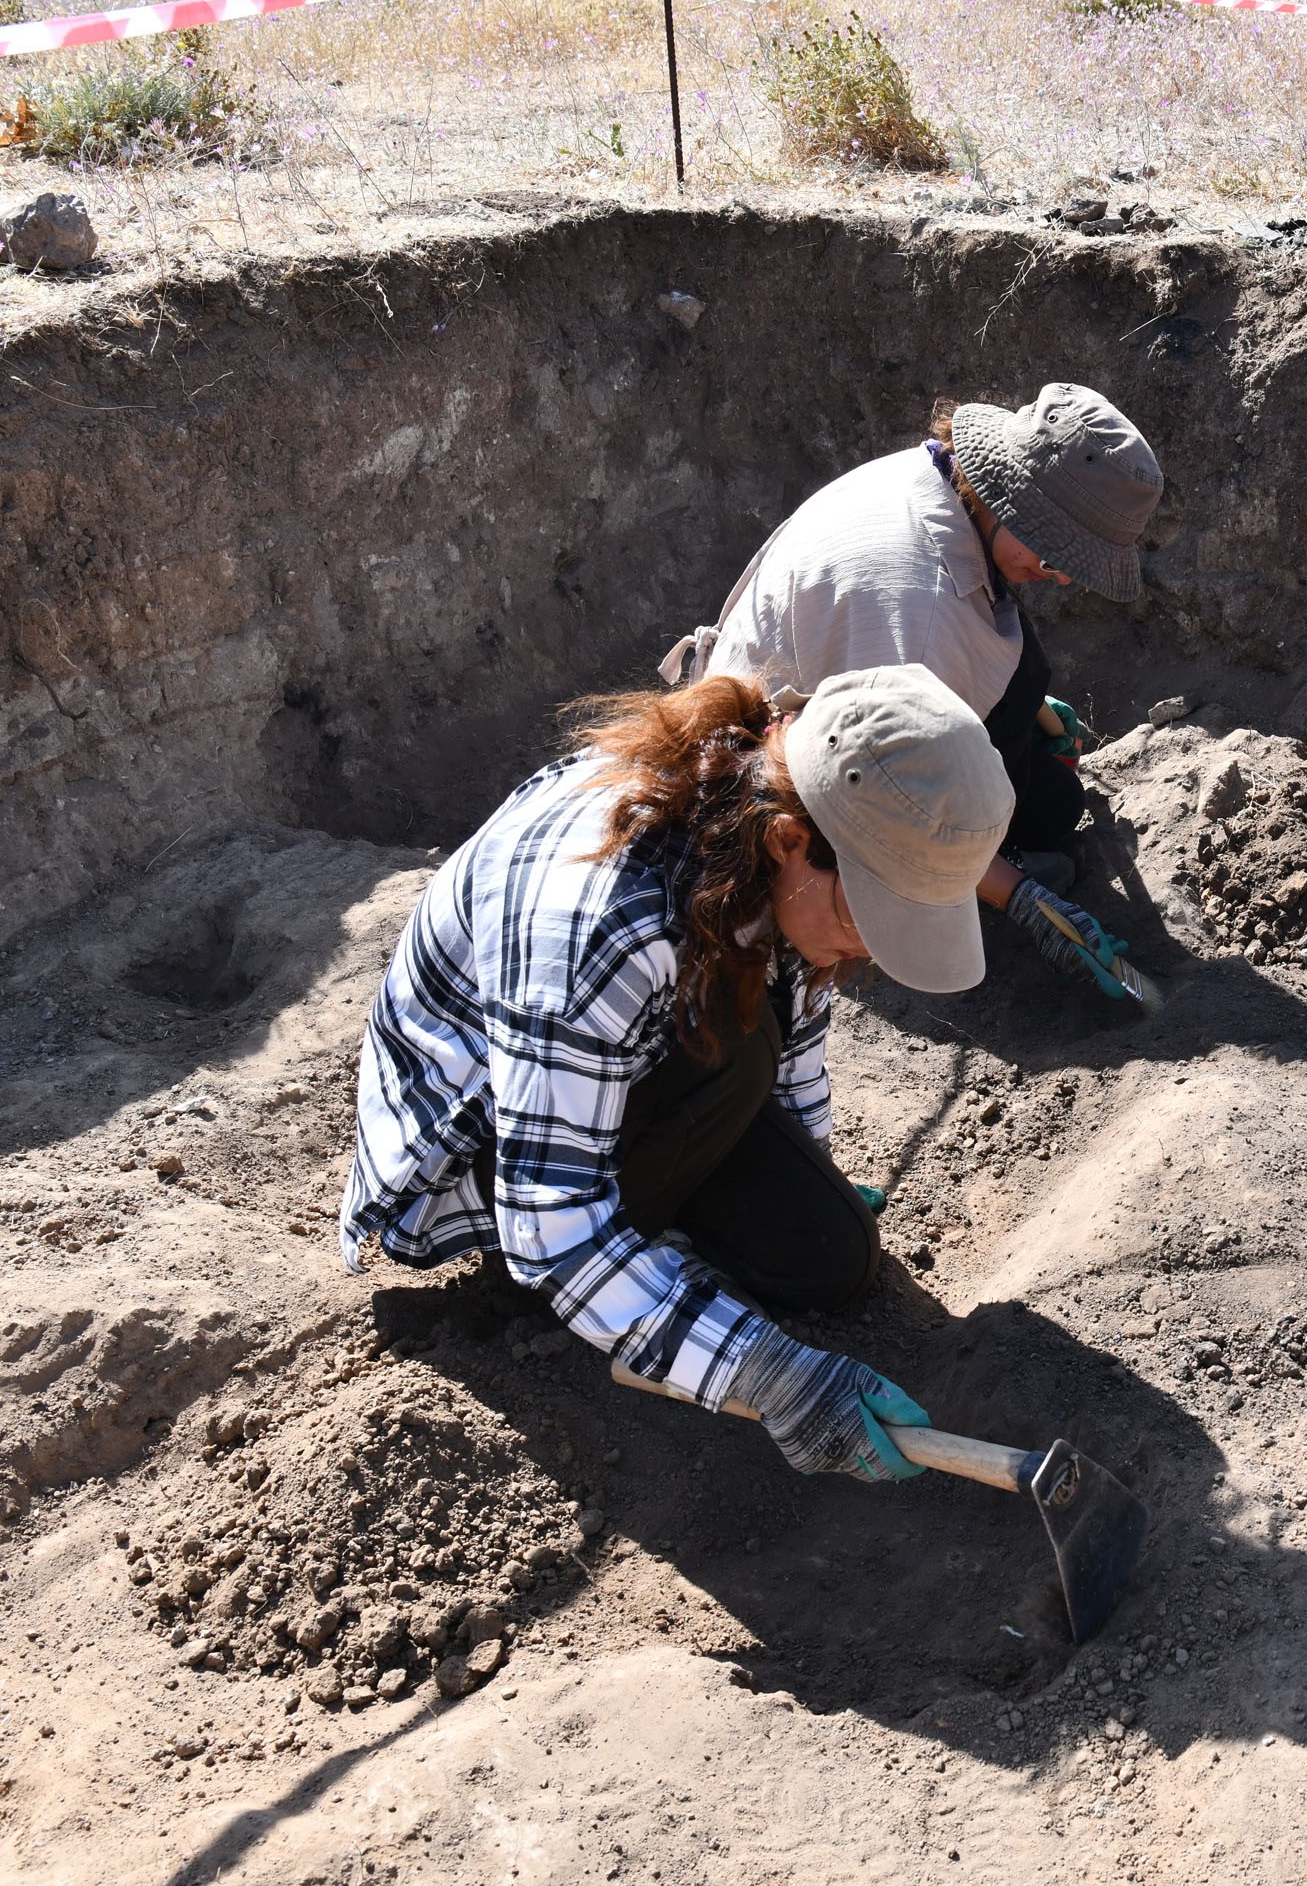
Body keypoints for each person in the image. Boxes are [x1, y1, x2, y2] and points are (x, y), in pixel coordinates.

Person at [338, 664, 1010, 1480]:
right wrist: (764, 1374)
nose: (872, 947)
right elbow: (551, 1225)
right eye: (867, 915)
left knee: (829, 1256)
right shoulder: (601, 928)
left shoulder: (766, 825)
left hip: (640, 1064)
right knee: (733, 1059)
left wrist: (811, 1170)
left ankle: (658, 1259)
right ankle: (619, 1281)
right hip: (485, 1159)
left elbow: (793, 1020)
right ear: (792, 842)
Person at [658, 384, 1163, 1000]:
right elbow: (892, 803)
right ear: (1009, 498)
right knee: (1053, 810)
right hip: (785, 770)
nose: (1059, 575)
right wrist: (1020, 895)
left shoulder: (937, 476)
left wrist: (1026, 702)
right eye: (1055, 552)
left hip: (839, 685)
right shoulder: (917, 618)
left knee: (1031, 697)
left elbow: (975, 612)